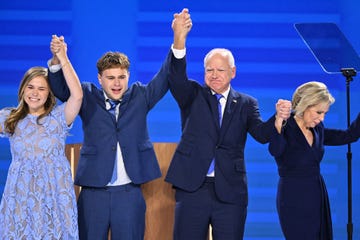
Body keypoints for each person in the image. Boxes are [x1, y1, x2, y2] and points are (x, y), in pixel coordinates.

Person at [164, 8, 291, 240]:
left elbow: (262, 134)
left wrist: (279, 118)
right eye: (209, 70)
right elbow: (176, 77)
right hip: (193, 187)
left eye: (220, 70)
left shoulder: (246, 103)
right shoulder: (192, 94)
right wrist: (179, 39)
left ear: (232, 72)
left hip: (230, 191)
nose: (214, 75)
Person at [46, 19, 175, 239]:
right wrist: (57, 60)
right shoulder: (86, 95)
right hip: (93, 192)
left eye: (122, 77)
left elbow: (164, 78)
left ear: (128, 77)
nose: (117, 83)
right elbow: (59, 88)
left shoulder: (140, 96)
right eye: (111, 78)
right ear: (100, 79)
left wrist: (178, 41)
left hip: (129, 192)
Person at [0, 35, 82, 239]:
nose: (35, 93)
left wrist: (62, 58)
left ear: (49, 94)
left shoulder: (58, 117)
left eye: (41, 88)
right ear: (22, 90)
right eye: (30, 87)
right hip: (20, 197)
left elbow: (77, 95)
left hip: (55, 196)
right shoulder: (9, 118)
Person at [269, 81, 360, 240]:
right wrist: (278, 123)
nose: (321, 118)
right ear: (305, 105)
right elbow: (275, 150)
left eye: (325, 113)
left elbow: (349, 135)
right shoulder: (285, 125)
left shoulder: (318, 129)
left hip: (316, 193)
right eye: (318, 112)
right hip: (292, 196)